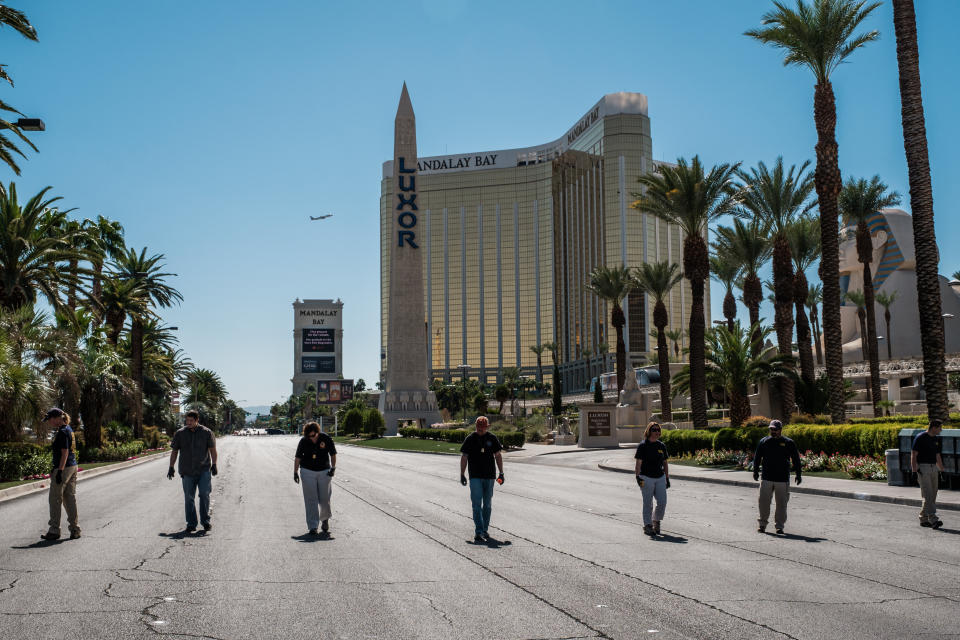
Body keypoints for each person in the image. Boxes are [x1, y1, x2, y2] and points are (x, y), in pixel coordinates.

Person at [167, 410, 217, 533]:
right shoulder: (180, 433)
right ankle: (191, 524)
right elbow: (174, 451)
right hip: (187, 471)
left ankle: (205, 522)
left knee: (204, 494)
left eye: (191, 421)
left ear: (196, 420)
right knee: (189, 498)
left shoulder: (207, 432)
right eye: (187, 420)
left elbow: (212, 450)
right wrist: (171, 466)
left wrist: (214, 464)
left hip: (203, 470)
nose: (188, 423)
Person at [753, 419, 802, 535]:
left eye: (775, 429)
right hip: (766, 478)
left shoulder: (788, 442)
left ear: (780, 430)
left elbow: (796, 459)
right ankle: (762, 525)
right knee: (763, 503)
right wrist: (755, 471)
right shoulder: (764, 442)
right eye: (771, 429)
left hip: (782, 479)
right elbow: (757, 458)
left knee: (781, 504)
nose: (773, 431)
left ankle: (779, 526)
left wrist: (798, 474)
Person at [459, 416, 504, 543]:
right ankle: (478, 531)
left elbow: (498, 456)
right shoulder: (470, 439)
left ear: (487, 427)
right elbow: (464, 457)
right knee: (476, 505)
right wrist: (462, 474)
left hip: (489, 476)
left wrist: (501, 473)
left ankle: (484, 529)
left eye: (482, 428)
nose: (480, 430)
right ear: (475, 426)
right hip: (475, 476)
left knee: (488, 505)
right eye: (478, 428)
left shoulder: (492, 438)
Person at [41, 408, 80, 541]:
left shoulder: (63, 432)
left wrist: (60, 471)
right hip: (73, 466)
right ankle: (75, 530)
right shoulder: (68, 429)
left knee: (55, 499)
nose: (49, 422)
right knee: (70, 499)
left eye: (50, 419)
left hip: (64, 468)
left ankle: (54, 530)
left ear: (58, 417)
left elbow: (65, 453)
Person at [293, 421, 337, 535]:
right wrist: (295, 472)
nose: (311, 438)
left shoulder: (326, 438)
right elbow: (298, 457)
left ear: (318, 432)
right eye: (309, 436)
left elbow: (333, 454)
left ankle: (325, 519)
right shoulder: (303, 441)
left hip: (324, 472)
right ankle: (313, 526)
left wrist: (333, 468)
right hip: (307, 472)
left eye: (313, 435)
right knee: (311, 499)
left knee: (324, 499)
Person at [634, 421, 670, 537]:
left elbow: (665, 463)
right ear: (649, 431)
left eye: (658, 430)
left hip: (660, 477)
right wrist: (638, 477)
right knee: (647, 503)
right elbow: (638, 464)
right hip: (646, 477)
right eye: (654, 430)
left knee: (662, 502)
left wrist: (667, 478)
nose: (656, 432)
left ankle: (656, 520)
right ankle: (648, 525)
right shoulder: (643, 446)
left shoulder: (661, 446)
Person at [911, 419, 944, 528]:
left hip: (933, 468)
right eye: (940, 428)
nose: (941, 430)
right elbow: (914, 454)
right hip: (923, 468)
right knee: (928, 494)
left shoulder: (936, 439)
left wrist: (942, 470)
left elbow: (937, 456)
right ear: (934, 427)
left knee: (932, 495)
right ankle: (933, 519)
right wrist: (914, 470)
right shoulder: (920, 437)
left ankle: (923, 518)